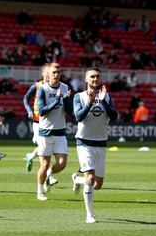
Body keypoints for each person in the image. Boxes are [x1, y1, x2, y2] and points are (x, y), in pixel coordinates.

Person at [71, 67, 118, 223]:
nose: (95, 79)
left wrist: (104, 101)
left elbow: (114, 116)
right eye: (92, 77)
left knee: (97, 185)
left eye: (97, 76)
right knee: (90, 178)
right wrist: (89, 103)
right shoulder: (79, 97)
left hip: (101, 143)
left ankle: (77, 180)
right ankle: (90, 215)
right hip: (84, 143)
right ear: (86, 79)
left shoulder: (107, 96)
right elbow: (79, 117)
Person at [36, 63, 73, 201]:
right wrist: (57, 100)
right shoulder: (43, 89)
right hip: (45, 132)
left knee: (62, 163)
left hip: (60, 132)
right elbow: (42, 111)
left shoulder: (65, 87)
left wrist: (67, 100)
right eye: (53, 72)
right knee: (44, 165)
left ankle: (49, 175)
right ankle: (40, 192)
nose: (56, 74)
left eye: (58, 72)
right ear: (48, 74)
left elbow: (69, 112)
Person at [23, 63, 49, 172]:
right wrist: (29, 111)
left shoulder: (56, 87)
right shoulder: (36, 86)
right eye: (47, 72)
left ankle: (31, 155)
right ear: (43, 73)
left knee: (46, 147)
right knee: (43, 147)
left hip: (50, 122)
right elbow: (25, 99)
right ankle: (48, 175)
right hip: (38, 122)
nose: (50, 74)